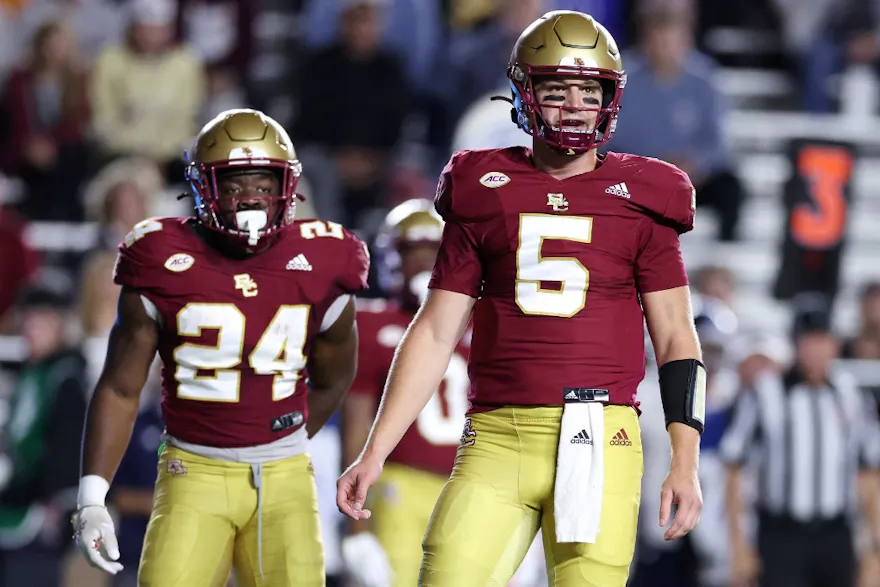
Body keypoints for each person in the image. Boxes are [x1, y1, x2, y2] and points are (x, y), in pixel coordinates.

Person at [337, 10, 705, 587]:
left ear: (611, 98)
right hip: (497, 436)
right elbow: (435, 330)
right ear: (524, 93)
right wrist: (376, 449)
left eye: (590, 90)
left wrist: (685, 460)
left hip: (601, 438)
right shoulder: (482, 184)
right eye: (557, 89)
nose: (576, 104)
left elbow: (677, 338)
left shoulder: (647, 194)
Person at [70, 108, 370, 586]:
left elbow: (335, 376)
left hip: (285, 478)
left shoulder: (324, 260)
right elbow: (121, 388)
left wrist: (279, 440)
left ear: (286, 189)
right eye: (232, 186)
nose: (249, 199)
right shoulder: (160, 256)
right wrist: (91, 498)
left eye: (263, 185)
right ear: (203, 188)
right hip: (193, 469)